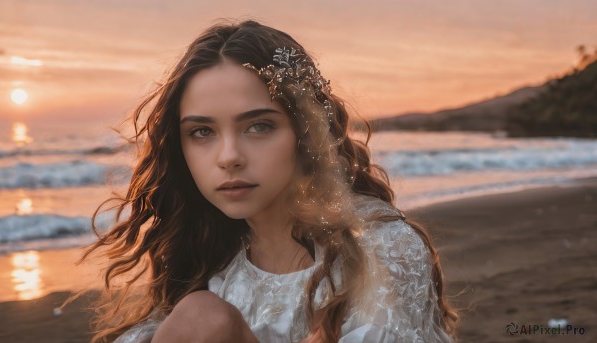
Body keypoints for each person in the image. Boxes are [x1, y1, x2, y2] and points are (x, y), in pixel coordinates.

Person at [81, 19, 459, 342]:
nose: (228, 157)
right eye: (201, 132)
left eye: (259, 126)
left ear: (306, 132)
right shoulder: (210, 255)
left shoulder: (378, 246)